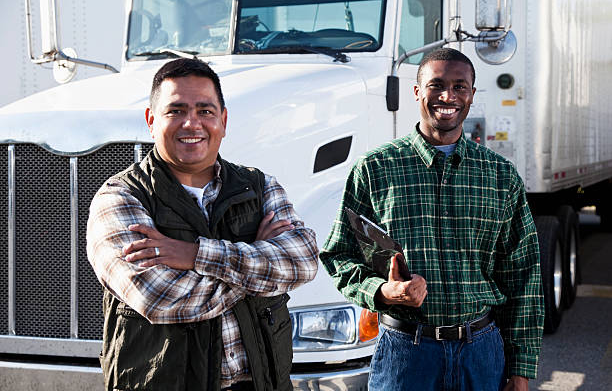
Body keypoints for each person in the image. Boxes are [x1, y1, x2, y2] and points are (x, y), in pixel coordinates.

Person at [87, 58, 319, 391]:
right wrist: (260, 262)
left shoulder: (260, 186)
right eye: (176, 111)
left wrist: (196, 255)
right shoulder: (120, 197)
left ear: (223, 121)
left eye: (205, 111)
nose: (191, 124)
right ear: (151, 121)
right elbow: (160, 298)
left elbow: (304, 261)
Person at [320, 48, 544, 391]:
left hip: (481, 353)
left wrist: (521, 369)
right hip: (405, 355)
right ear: (416, 91)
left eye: (460, 87)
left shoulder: (500, 176)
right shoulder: (375, 169)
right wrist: (382, 290)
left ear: (471, 94)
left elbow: (523, 276)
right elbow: (339, 255)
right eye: (436, 85)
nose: (447, 96)